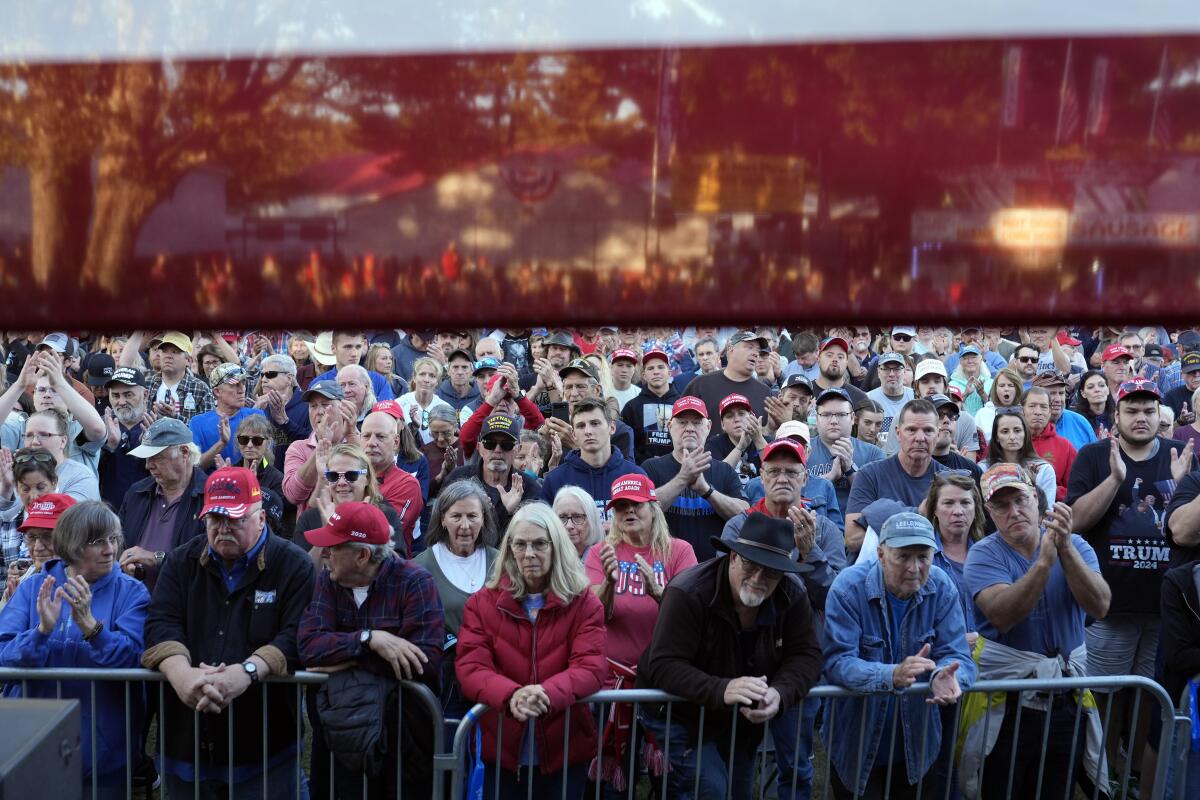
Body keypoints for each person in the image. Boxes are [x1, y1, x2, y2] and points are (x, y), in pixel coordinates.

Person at [141, 466, 316, 799]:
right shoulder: (181, 561)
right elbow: (160, 622)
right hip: (186, 743)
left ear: (261, 518)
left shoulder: (294, 565)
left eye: (235, 519)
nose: (223, 529)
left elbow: (297, 635)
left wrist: (246, 672)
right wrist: (182, 676)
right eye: (214, 519)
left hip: (265, 747)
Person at [638, 512, 823, 800]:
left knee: (738, 791)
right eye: (750, 564)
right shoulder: (688, 591)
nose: (759, 578)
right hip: (679, 716)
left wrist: (781, 693)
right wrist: (723, 688)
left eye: (772, 570)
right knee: (711, 789)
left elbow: (807, 654)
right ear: (733, 557)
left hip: (741, 723)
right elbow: (663, 664)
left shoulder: (791, 594)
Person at [1067, 377, 1196, 784]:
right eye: (1131, 410)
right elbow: (1077, 522)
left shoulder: (1182, 455)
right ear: (1116, 416)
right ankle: (1101, 774)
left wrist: (1180, 483)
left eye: (1148, 410)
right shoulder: (1093, 455)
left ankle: (1137, 774)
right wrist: (1114, 479)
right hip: (1110, 604)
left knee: (1149, 697)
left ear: (1160, 415)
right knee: (1105, 695)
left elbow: (1185, 528)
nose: (1141, 418)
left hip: (1166, 608)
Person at [964, 463, 1110, 800]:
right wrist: (1044, 562)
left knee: (1056, 788)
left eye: (1020, 500)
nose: (1013, 512)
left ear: (1036, 498)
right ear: (989, 512)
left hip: (1067, 698)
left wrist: (1066, 551)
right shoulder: (983, 554)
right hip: (1008, 702)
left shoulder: (1077, 545)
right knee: (1001, 788)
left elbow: (1100, 606)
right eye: (1001, 505)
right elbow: (1003, 616)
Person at [455, 502, 607, 799]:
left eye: (539, 544)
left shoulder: (584, 602)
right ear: (509, 548)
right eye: (520, 544)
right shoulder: (482, 604)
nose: (529, 554)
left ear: (556, 546)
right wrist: (512, 695)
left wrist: (546, 694)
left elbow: (590, 667)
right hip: (502, 749)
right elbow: (471, 667)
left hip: (565, 748)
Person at [0, 501, 150, 798]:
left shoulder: (132, 592)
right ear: (71, 545)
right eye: (97, 542)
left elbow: (135, 658)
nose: (110, 549)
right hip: (31, 749)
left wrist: (93, 629)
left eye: (113, 539)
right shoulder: (33, 589)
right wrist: (41, 632)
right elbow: (4, 656)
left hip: (104, 760)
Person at [822, 512, 975, 800]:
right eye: (903, 557)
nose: (915, 567)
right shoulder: (848, 587)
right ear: (880, 554)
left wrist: (950, 676)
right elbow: (837, 662)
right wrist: (891, 674)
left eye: (923, 556)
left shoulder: (941, 586)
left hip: (917, 745)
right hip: (856, 744)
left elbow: (958, 656)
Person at [297, 500, 444, 798]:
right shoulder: (329, 581)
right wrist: (369, 640)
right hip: (340, 740)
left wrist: (341, 659)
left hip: (403, 745)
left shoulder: (415, 583)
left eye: (333, 547)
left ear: (362, 555)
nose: (324, 554)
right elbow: (309, 648)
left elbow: (422, 663)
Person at [583, 474, 697, 793]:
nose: (628, 512)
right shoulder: (600, 553)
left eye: (635, 505)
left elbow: (692, 618)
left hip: (662, 686)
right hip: (611, 687)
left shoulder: (678, 551)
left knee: (669, 782)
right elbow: (594, 615)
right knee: (614, 786)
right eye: (620, 507)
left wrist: (660, 594)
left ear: (653, 507)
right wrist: (607, 582)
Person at [412, 480, 499, 712]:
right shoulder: (420, 568)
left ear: (483, 518)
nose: (465, 525)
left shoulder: (501, 562)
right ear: (442, 518)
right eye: (456, 516)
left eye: (472, 516)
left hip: (495, 683)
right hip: (446, 690)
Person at [642, 396, 747, 561]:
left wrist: (706, 490)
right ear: (670, 426)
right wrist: (682, 479)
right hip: (664, 567)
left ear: (708, 427)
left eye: (697, 422)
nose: (690, 428)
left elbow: (744, 516)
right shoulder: (651, 468)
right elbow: (642, 512)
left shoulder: (724, 470)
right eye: (682, 422)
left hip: (713, 571)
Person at [845, 399, 950, 556]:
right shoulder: (870, 474)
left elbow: (954, 539)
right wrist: (919, 513)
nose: (920, 438)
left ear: (938, 434)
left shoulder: (948, 481)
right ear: (898, 433)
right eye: (911, 430)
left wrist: (880, 512)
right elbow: (853, 539)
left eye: (928, 430)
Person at [117, 418, 207, 591]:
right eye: (146, 457)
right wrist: (124, 563)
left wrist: (157, 558)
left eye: (156, 457)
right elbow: (119, 544)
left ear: (184, 452)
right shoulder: (136, 492)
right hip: (134, 603)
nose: (148, 465)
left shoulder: (209, 497)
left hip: (184, 607)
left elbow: (211, 560)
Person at [292, 443, 406, 561]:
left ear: (367, 478)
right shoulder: (310, 518)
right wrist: (327, 533)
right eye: (333, 476)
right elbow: (301, 571)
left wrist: (363, 528)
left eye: (351, 475)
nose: (341, 482)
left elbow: (398, 567)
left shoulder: (385, 514)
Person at [540, 397, 646, 516]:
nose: (588, 431)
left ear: (612, 428)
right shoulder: (556, 480)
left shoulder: (635, 476)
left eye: (595, 423)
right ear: (573, 434)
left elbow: (648, 526)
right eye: (581, 426)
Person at [444, 414, 541, 534]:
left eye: (506, 445)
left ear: (517, 449)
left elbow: (534, 536)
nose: (497, 450)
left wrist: (512, 512)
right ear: (479, 448)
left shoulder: (530, 489)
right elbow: (440, 526)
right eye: (490, 444)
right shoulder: (457, 479)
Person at [921, 472, 987, 632]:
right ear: (934, 509)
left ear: (976, 508)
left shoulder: (990, 554)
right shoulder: (921, 556)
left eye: (965, 502)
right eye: (948, 503)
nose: (958, 511)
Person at [806, 387, 885, 513]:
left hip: (857, 528)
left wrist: (850, 469)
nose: (833, 421)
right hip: (813, 527)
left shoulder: (873, 453)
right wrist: (828, 479)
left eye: (841, 415)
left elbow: (878, 500)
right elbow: (793, 497)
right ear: (816, 418)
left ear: (853, 418)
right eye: (826, 415)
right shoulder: (803, 449)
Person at [358, 409, 425, 552]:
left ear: (396, 442)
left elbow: (381, 532)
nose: (371, 443)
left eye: (380, 437)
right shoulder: (347, 476)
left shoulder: (407, 484)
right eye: (366, 436)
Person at [1, 490, 74, 607]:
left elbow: (101, 626)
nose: (37, 547)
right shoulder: (21, 584)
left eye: (48, 537)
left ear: (75, 537)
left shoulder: (89, 584)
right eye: (32, 537)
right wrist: (13, 607)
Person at [682, 330, 773, 421]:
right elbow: (679, 423)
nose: (755, 353)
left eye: (758, 350)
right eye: (750, 347)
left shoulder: (765, 393)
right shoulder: (700, 385)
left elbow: (768, 432)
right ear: (731, 349)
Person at [189, 363, 267, 470]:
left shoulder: (256, 415)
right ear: (217, 391)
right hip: (213, 484)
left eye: (243, 382)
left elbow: (268, 460)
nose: (241, 389)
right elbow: (195, 468)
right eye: (234, 384)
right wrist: (221, 444)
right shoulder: (198, 423)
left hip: (252, 483)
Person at [979, 407, 1057, 508]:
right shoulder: (983, 469)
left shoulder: (1043, 470)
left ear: (1025, 434)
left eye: (1017, 430)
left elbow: (1047, 514)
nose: (1012, 437)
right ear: (997, 437)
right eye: (1005, 431)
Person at [129, 331, 214, 424]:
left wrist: (175, 417)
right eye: (164, 351)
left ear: (188, 361)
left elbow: (207, 428)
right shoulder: (146, 384)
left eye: (175, 352)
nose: (168, 356)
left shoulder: (201, 389)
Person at [98, 367, 153, 510]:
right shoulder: (99, 427)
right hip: (108, 514)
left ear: (145, 395)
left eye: (128, 395)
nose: (121, 402)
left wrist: (151, 448)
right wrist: (109, 447)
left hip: (148, 512)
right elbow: (89, 470)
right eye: (116, 396)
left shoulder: (158, 426)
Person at [227, 413, 290, 535]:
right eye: (244, 440)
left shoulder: (277, 479)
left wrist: (252, 486)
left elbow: (273, 522)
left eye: (257, 441)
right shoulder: (230, 473)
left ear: (268, 443)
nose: (249, 445)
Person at [620, 348, 680, 464]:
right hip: (642, 469)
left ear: (669, 372)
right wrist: (646, 463)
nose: (656, 372)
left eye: (661, 367)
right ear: (644, 375)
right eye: (650, 368)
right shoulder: (631, 407)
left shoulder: (681, 404)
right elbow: (625, 444)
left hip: (678, 468)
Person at [252, 353, 312, 466]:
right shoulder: (261, 405)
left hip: (298, 475)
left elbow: (312, 443)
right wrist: (254, 414)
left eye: (270, 374)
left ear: (289, 378)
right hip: (267, 476)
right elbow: (247, 446)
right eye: (262, 375)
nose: (263, 380)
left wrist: (285, 422)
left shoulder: (308, 403)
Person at [1023, 383, 1076, 500]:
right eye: (1032, 406)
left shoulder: (1065, 447)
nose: (1038, 412)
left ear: (1049, 412)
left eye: (1043, 407)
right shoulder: (1010, 441)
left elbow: (1075, 490)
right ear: (1022, 410)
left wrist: (1049, 489)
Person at [309, 331, 396, 401]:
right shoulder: (319, 384)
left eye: (358, 347)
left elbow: (387, 417)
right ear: (333, 349)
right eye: (348, 347)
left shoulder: (379, 381)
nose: (354, 354)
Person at [396, 357, 456, 444]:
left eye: (432, 376)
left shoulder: (445, 407)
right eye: (422, 374)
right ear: (414, 378)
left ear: (437, 382)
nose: (426, 380)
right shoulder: (399, 404)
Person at [1034, 370, 1097, 451]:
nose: (1058, 399)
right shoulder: (1027, 426)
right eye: (1051, 393)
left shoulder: (1080, 422)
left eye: (1061, 393)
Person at [928, 393, 983, 480]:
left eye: (951, 415)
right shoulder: (910, 467)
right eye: (938, 414)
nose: (946, 420)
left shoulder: (971, 470)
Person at [865, 352, 913, 451]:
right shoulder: (867, 399)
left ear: (904, 372)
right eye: (886, 369)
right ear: (878, 372)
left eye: (897, 369)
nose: (891, 374)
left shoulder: (915, 397)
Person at [421, 407, 465, 498]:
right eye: (435, 433)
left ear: (455, 427)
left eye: (446, 433)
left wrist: (453, 470)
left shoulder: (465, 448)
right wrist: (440, 476)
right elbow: (420, 491)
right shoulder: (424, 452)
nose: (440, 438)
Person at [974, 367, 1024, 444]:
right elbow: (975, 443)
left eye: (1010, 385)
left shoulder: (1024, 414)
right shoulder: (982, 414)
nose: (1006, 389)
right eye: (1002, 385)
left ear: (1017, 389)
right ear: (995, 389)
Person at [552, 485, 604, 561]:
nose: (569, 526)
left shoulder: (606, 560)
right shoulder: (548, 561)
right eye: (562, 517)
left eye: (577, 517)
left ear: (592, 520)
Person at [949, 344, 993, 417]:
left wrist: (982, 393)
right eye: (965, 358)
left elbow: (995, 409)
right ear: (960, 362)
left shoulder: (991, 383)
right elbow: (950, 409)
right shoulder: (952, 385)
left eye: (973, 357)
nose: (970, 361)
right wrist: (965, 394)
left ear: (981, 359)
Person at [436, 348, 482, 417]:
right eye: (455, 367)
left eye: (464, 367)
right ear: (448, 370)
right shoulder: (438, 395)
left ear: (472, 371)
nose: (460, 372)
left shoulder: (480, 396)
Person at [1072, 369, 1116, 437]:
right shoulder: (1076, 419)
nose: (1097, 390)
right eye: (1090, 387)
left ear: (1108, 390)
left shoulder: (1118, 416)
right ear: (1083, 393)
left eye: (1101, 385)